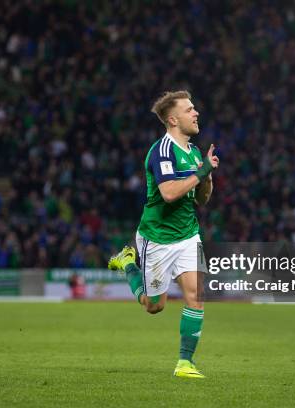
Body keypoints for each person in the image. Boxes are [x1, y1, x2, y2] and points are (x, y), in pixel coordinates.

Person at [108, 90, 219, 378]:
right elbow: (169, 193)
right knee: (154, 306)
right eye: (189, 109)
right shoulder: (162, 151)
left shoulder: (194, 152)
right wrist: (201, 171)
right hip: (157, 237)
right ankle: (128, 263)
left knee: (196, 296)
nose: (196, 113)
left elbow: (202, 199)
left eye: (195, 108)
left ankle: (185, 363)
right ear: (173, 119)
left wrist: (206, 177)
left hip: (188, 236)